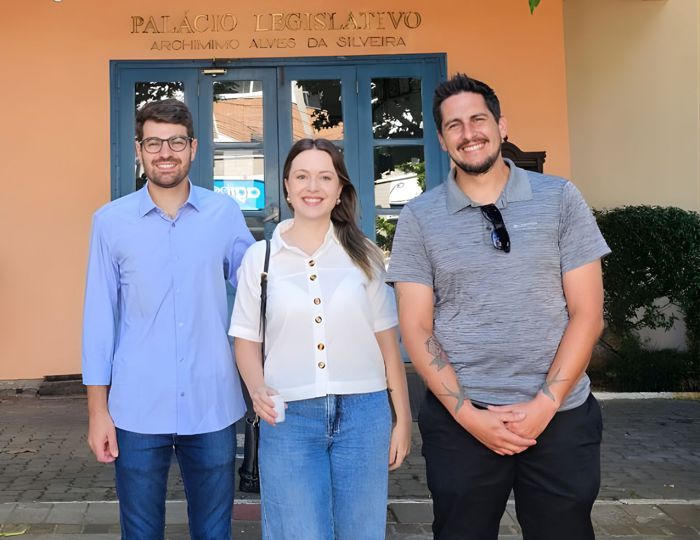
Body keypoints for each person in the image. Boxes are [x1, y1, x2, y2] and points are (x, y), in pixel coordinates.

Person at [386, 73, 610, 540]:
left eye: (478, 119)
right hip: (461, 422)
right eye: (454, 125)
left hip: (560, 417)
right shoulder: (419, 217)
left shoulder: (560, 198)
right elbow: (416, 326)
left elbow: (587, 313)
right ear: (442, 139)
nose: (468, 133)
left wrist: (545, 404)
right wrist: (469, 415)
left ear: (501, 125)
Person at [82, 98, 254, 539]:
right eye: (153, 142)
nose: (165, 153)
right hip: (136, 409)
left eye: (176, 142)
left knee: (214, 533)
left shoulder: (224, 214)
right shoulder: (110, 222)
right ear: (139, 150)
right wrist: (98, 411)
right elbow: (98, 321)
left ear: (193, 147)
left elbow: (259, 288)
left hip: (212, 404)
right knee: (140, 533)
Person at [231, 138, 412, 539]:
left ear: (340, 189)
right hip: (289, 416)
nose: (312, 187)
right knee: (297, 531)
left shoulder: (365, 254)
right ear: (287, 187)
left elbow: (388, 343)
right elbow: (245, 339)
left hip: (364, 414)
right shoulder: (260, 258)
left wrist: (402, 420)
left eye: (325, 177)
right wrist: (257, 388)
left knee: (361, 531)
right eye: (302, 177)